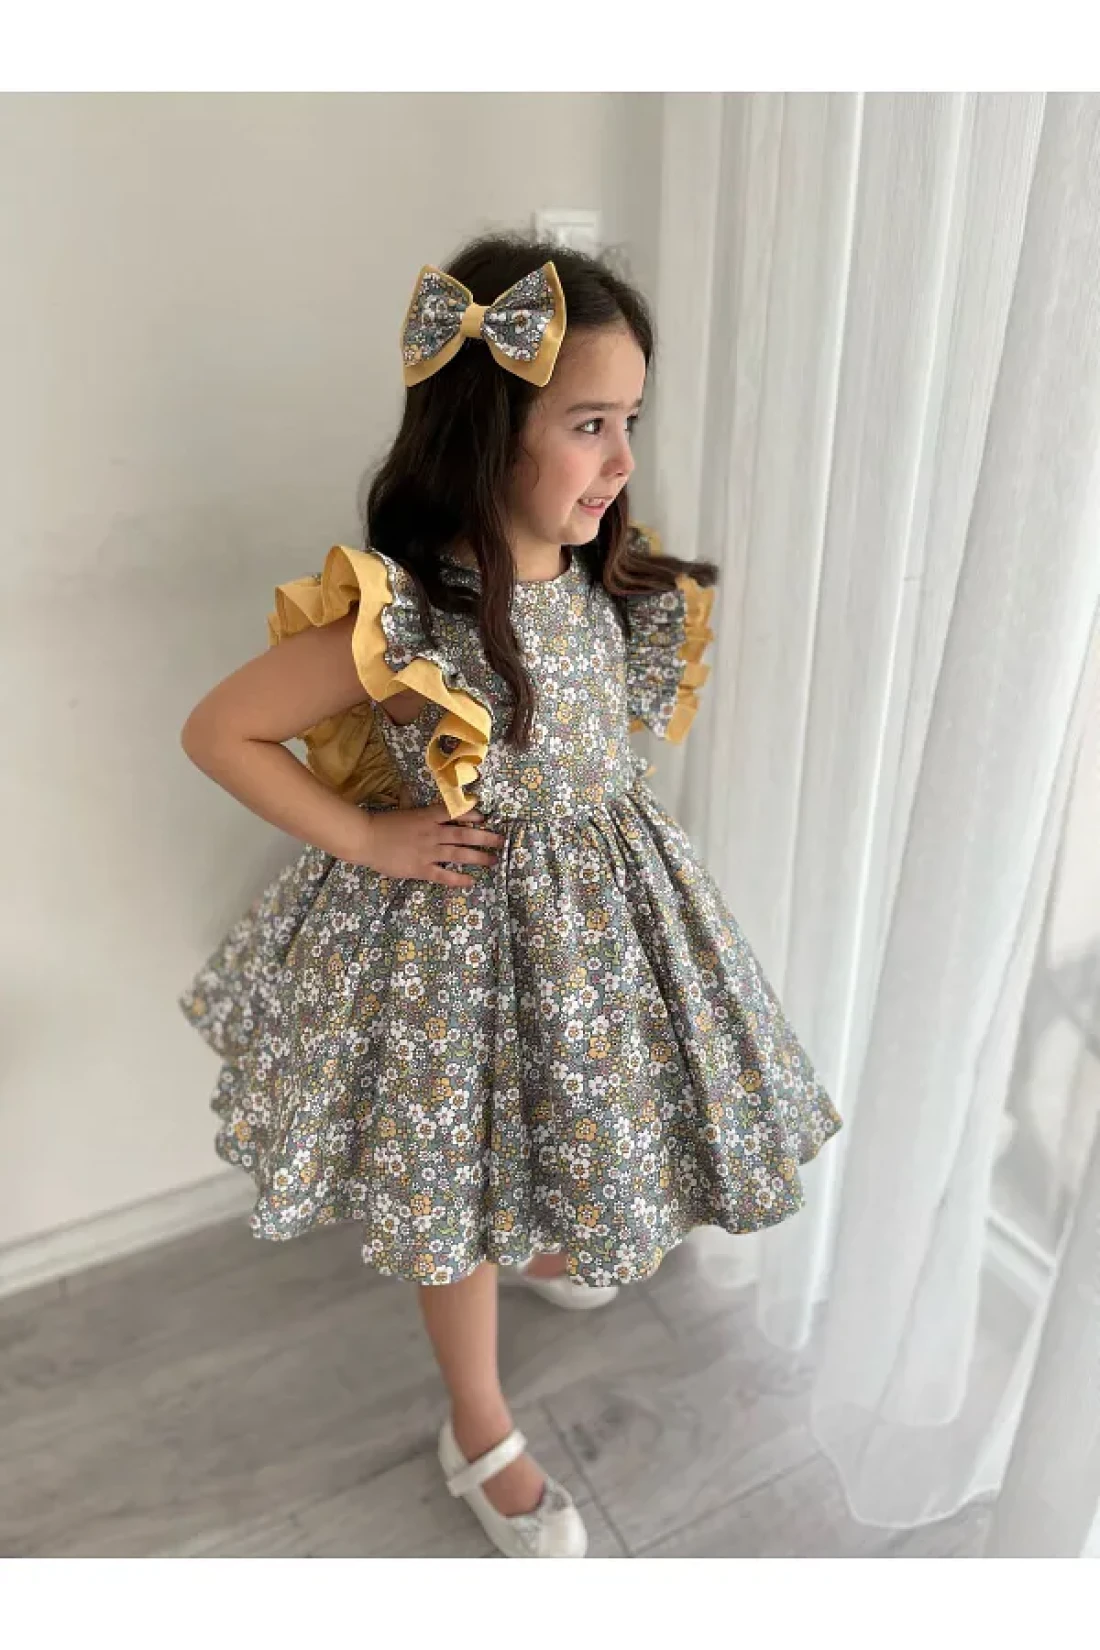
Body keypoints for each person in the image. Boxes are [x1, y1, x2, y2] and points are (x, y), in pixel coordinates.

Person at [178, 231, 843, 1559]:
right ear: (489, 433)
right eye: (591, 424)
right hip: (455, 957)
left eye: (631, 421)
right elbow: (220, 730)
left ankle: (538, 1246)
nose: (624, 460)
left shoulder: (600, 580)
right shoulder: (410, 619)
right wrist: (367, 840)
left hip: (592, 941)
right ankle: (477, 1421)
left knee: (559, 1127)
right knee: (456, 1187)